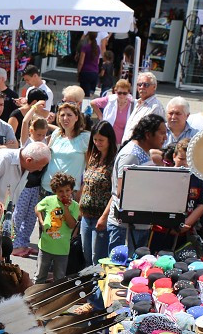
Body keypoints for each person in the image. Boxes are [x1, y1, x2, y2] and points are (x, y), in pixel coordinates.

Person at [103, 113, 166, 253]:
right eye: (162, 133)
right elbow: (122, 192)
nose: (165, 138)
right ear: (148, 134)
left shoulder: (143, 152)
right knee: (122, 271)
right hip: (125, 228)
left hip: (139, 225)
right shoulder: (131, 155)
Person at [152, 138, 203, 252]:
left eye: (189, 160)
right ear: (174, 156)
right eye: (181, 159)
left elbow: (201, 204)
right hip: (160, 230)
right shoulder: (164, 176)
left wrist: (186, 224)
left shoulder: (198, 179)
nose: (185, 163)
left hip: (185, 233)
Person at [9, 117, 51, 257]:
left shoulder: (44, 143)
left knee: (31, 217)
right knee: (19, 214)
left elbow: (58, 131)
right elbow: (25, 121)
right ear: (32, 131)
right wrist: (34, 108)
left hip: (36, 187)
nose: (41, 137)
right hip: (25, 186)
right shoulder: (28, 142)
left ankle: (23, 243)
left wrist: (48, 121)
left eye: (44, 134)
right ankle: (13, 244)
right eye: (38, 134)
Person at [78, 121, 117, 267]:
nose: (97, 143)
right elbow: (86, 184)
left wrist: (104, 217)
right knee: (86, 256)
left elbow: (115, 193)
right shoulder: (93, 157)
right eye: (95, 139)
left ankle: (97, 288)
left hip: (101, 218)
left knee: (98, 259)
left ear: (109, 140)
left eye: (101, 140)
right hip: (85, 217)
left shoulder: (114, 161)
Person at [35, 172, 80, 282]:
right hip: (45, 246)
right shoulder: (49, 200)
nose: (64, 194)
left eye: (67, 190)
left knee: (59, 278)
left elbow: (71, 225)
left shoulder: (74, 206)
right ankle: (36, 297)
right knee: (40, 276)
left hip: (62, 249)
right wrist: (41, 221)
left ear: (72, 190)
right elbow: (37, 207)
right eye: (60, 191)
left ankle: (55, 298)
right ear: (55, 191)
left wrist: (65, 208)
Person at [43, 102, 90, 194]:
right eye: (62, 115)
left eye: (69, 115)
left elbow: (89, 168)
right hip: (47, 187)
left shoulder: (85, 137)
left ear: (76, 117)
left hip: (68, 192)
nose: (65, 118)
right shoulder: (56, 133)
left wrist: (82, 190)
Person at [124, 72, 165, 140]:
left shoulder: (155, 107)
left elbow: (153, 135)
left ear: (154, 87)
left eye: (146, 85)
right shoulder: (137, 103)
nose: (142, 87)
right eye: (139, 84)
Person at [91, 78, 134, 143]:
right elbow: (93, 103)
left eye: (125, 93)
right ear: (115, 91)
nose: (122, 95)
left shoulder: (132, 103)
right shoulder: (110, 99)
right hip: (107, 139)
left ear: (128, 92)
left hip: (123, 140)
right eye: (119, 93)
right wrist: (101, 117)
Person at [76, 32, 101, 96]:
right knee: (91, 93)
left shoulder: (85, 48)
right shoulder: (97, 48)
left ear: (88, 36)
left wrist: (78, 72)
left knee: (84, 94)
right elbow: (98, 61)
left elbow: (81, 62)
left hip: (86, 72)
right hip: (95, 72)